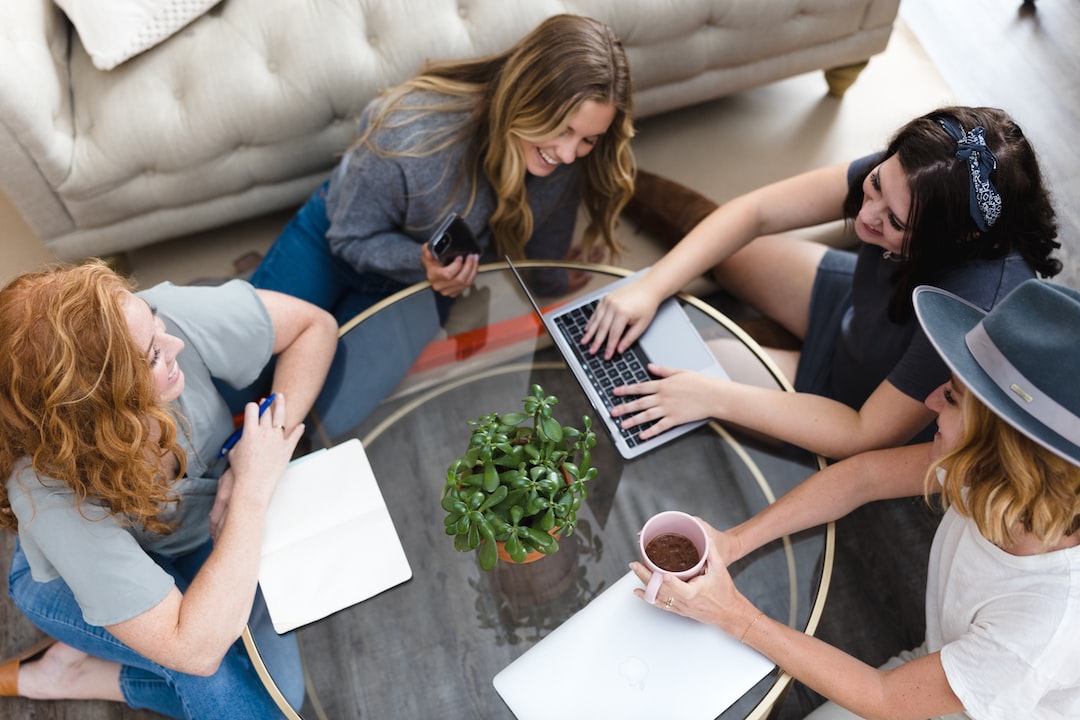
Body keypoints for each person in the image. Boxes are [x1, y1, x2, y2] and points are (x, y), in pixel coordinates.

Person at [631, 278, 1080, 719]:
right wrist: (734, 541)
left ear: (1004, 451)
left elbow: (886, 698)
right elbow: (862, 478)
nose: (928, 400)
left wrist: (735, 615)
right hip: (941, 665)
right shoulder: (988, 473)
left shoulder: (1046, 621)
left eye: (950, 396)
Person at [583, 106, 1061, 460]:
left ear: (954, 237)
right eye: (874, 184)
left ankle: (761, 346)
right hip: (849, 305)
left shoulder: (972, 310)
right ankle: (606, 172)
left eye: (894, 221)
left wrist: (710, 394)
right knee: (717, 245)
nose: (865, 216)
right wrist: (652, 286)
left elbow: (863, 433)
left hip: (855, 401)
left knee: (666, 371)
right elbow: (757, 212)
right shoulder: (920, 173)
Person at [0, 260, 339, 718]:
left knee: (275, 692)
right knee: (245, 692)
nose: (174, 341)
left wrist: (260, 451)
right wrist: (252, 493)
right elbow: (195, 651)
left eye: (152, 316)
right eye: (152, 357)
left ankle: (79, 673)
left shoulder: (156, 322)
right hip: (73, 575)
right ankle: (75, 660)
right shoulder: (45, 494)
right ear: (96, 406)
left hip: (189, 534)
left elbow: (313, 327)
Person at [249, 12, 635, 324]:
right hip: (339, 237)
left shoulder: (562, 164)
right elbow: (349, 238)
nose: (568, 154)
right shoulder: (405, 137)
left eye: (587, 139)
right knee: (242, 370)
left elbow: (544, 237)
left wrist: (553, 278)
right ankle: (241, 284)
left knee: (330, 408)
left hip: (427, 282)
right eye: (563, 129)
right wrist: (420, 260)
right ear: (527, 99)